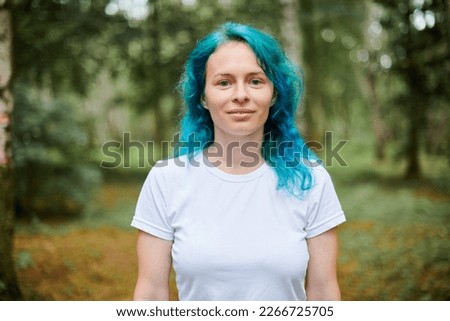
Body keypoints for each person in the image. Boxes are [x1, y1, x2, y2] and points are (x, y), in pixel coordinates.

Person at [131, 22, 346, 301]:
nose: (241, 95)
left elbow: (324, 291)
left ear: (274, 94)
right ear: (203, 98)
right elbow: (151, 292)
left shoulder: (312, 180)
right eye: (224, 82)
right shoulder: (166, 180)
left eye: (255, 81)